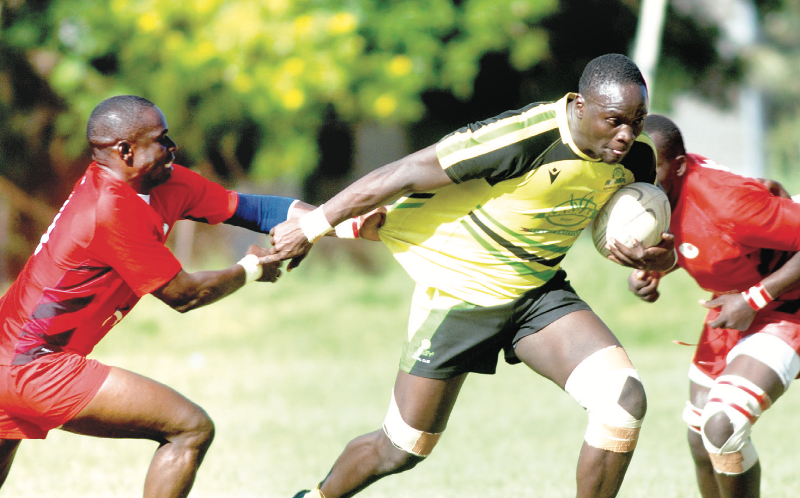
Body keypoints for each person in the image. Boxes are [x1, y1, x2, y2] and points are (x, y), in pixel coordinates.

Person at [269, 54, 674, 498]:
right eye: (614, 120)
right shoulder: (523, 137)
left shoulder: (636, 159)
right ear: (578, 104)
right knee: (402, 448)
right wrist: (312, 227)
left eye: (636, 122)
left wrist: (657, 261)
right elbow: (401, 173)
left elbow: (654, 241)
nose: (626, 135)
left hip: (538, 294)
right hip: (460, 294)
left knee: (623, 401)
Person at [0, 95, 311, 498]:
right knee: (190, 428)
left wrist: (337, 219)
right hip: (32, 366)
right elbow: (184, 295)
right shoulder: (109, 208)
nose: (173, 147)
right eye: (162, 139)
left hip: (13, 356)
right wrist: (252, 269)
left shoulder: (165, 181)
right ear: (125, 151)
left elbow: (252, 209)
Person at [626, 114, 800, 498]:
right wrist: (659, 268)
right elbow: (715, 236)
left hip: (787, 306)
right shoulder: (654, 190)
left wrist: (755, 298)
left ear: (680, 167)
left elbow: (743, 209)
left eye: (648, 167)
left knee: (723, 425)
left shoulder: (724, 202)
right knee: (700, 435)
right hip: (736, 306)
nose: (636, 175)